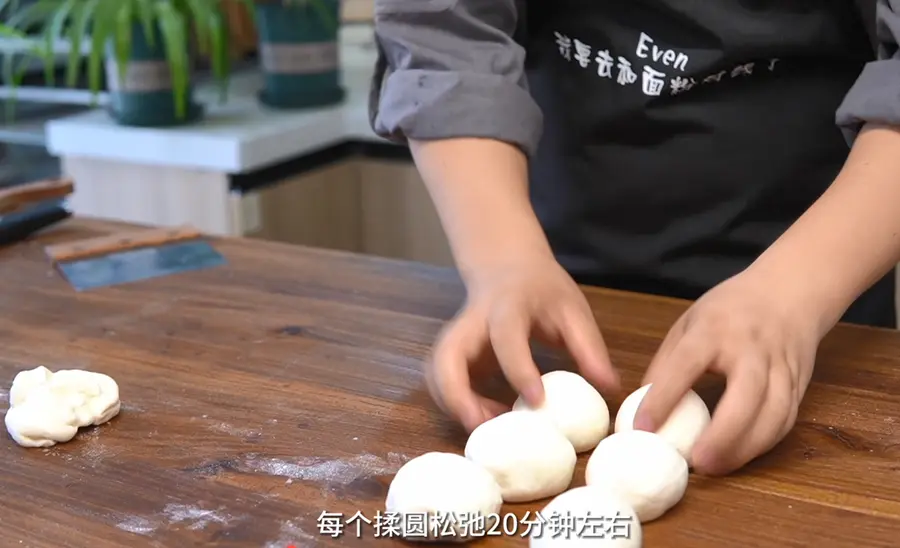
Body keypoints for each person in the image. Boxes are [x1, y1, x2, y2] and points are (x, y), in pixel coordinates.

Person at [368, 0, 900, 475]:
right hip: (563, 283)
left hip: (820, 282)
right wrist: (502, 259)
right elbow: (445, 36)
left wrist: (792, 294)